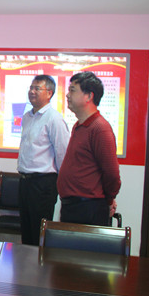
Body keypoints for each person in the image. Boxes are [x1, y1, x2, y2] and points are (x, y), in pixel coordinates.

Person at [57, 71, 121, 226]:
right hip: (72, 206)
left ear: (89, 96)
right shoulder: (78, 125)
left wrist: (109, 200)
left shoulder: (100, 128)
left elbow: (112, 174)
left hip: (88, 208)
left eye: (72, 90)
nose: (67, 95)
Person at [17, 75, 70, 245]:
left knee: (38, 233)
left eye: (37, 88)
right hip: (25, 181)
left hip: (43, 184)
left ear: (49, 93)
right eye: (31, 88)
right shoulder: (27, 117)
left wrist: (62, 185)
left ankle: (38, 263)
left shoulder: (54, 119)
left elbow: (63, 154)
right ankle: (26, 262)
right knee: (26, 231)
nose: (32, 91)